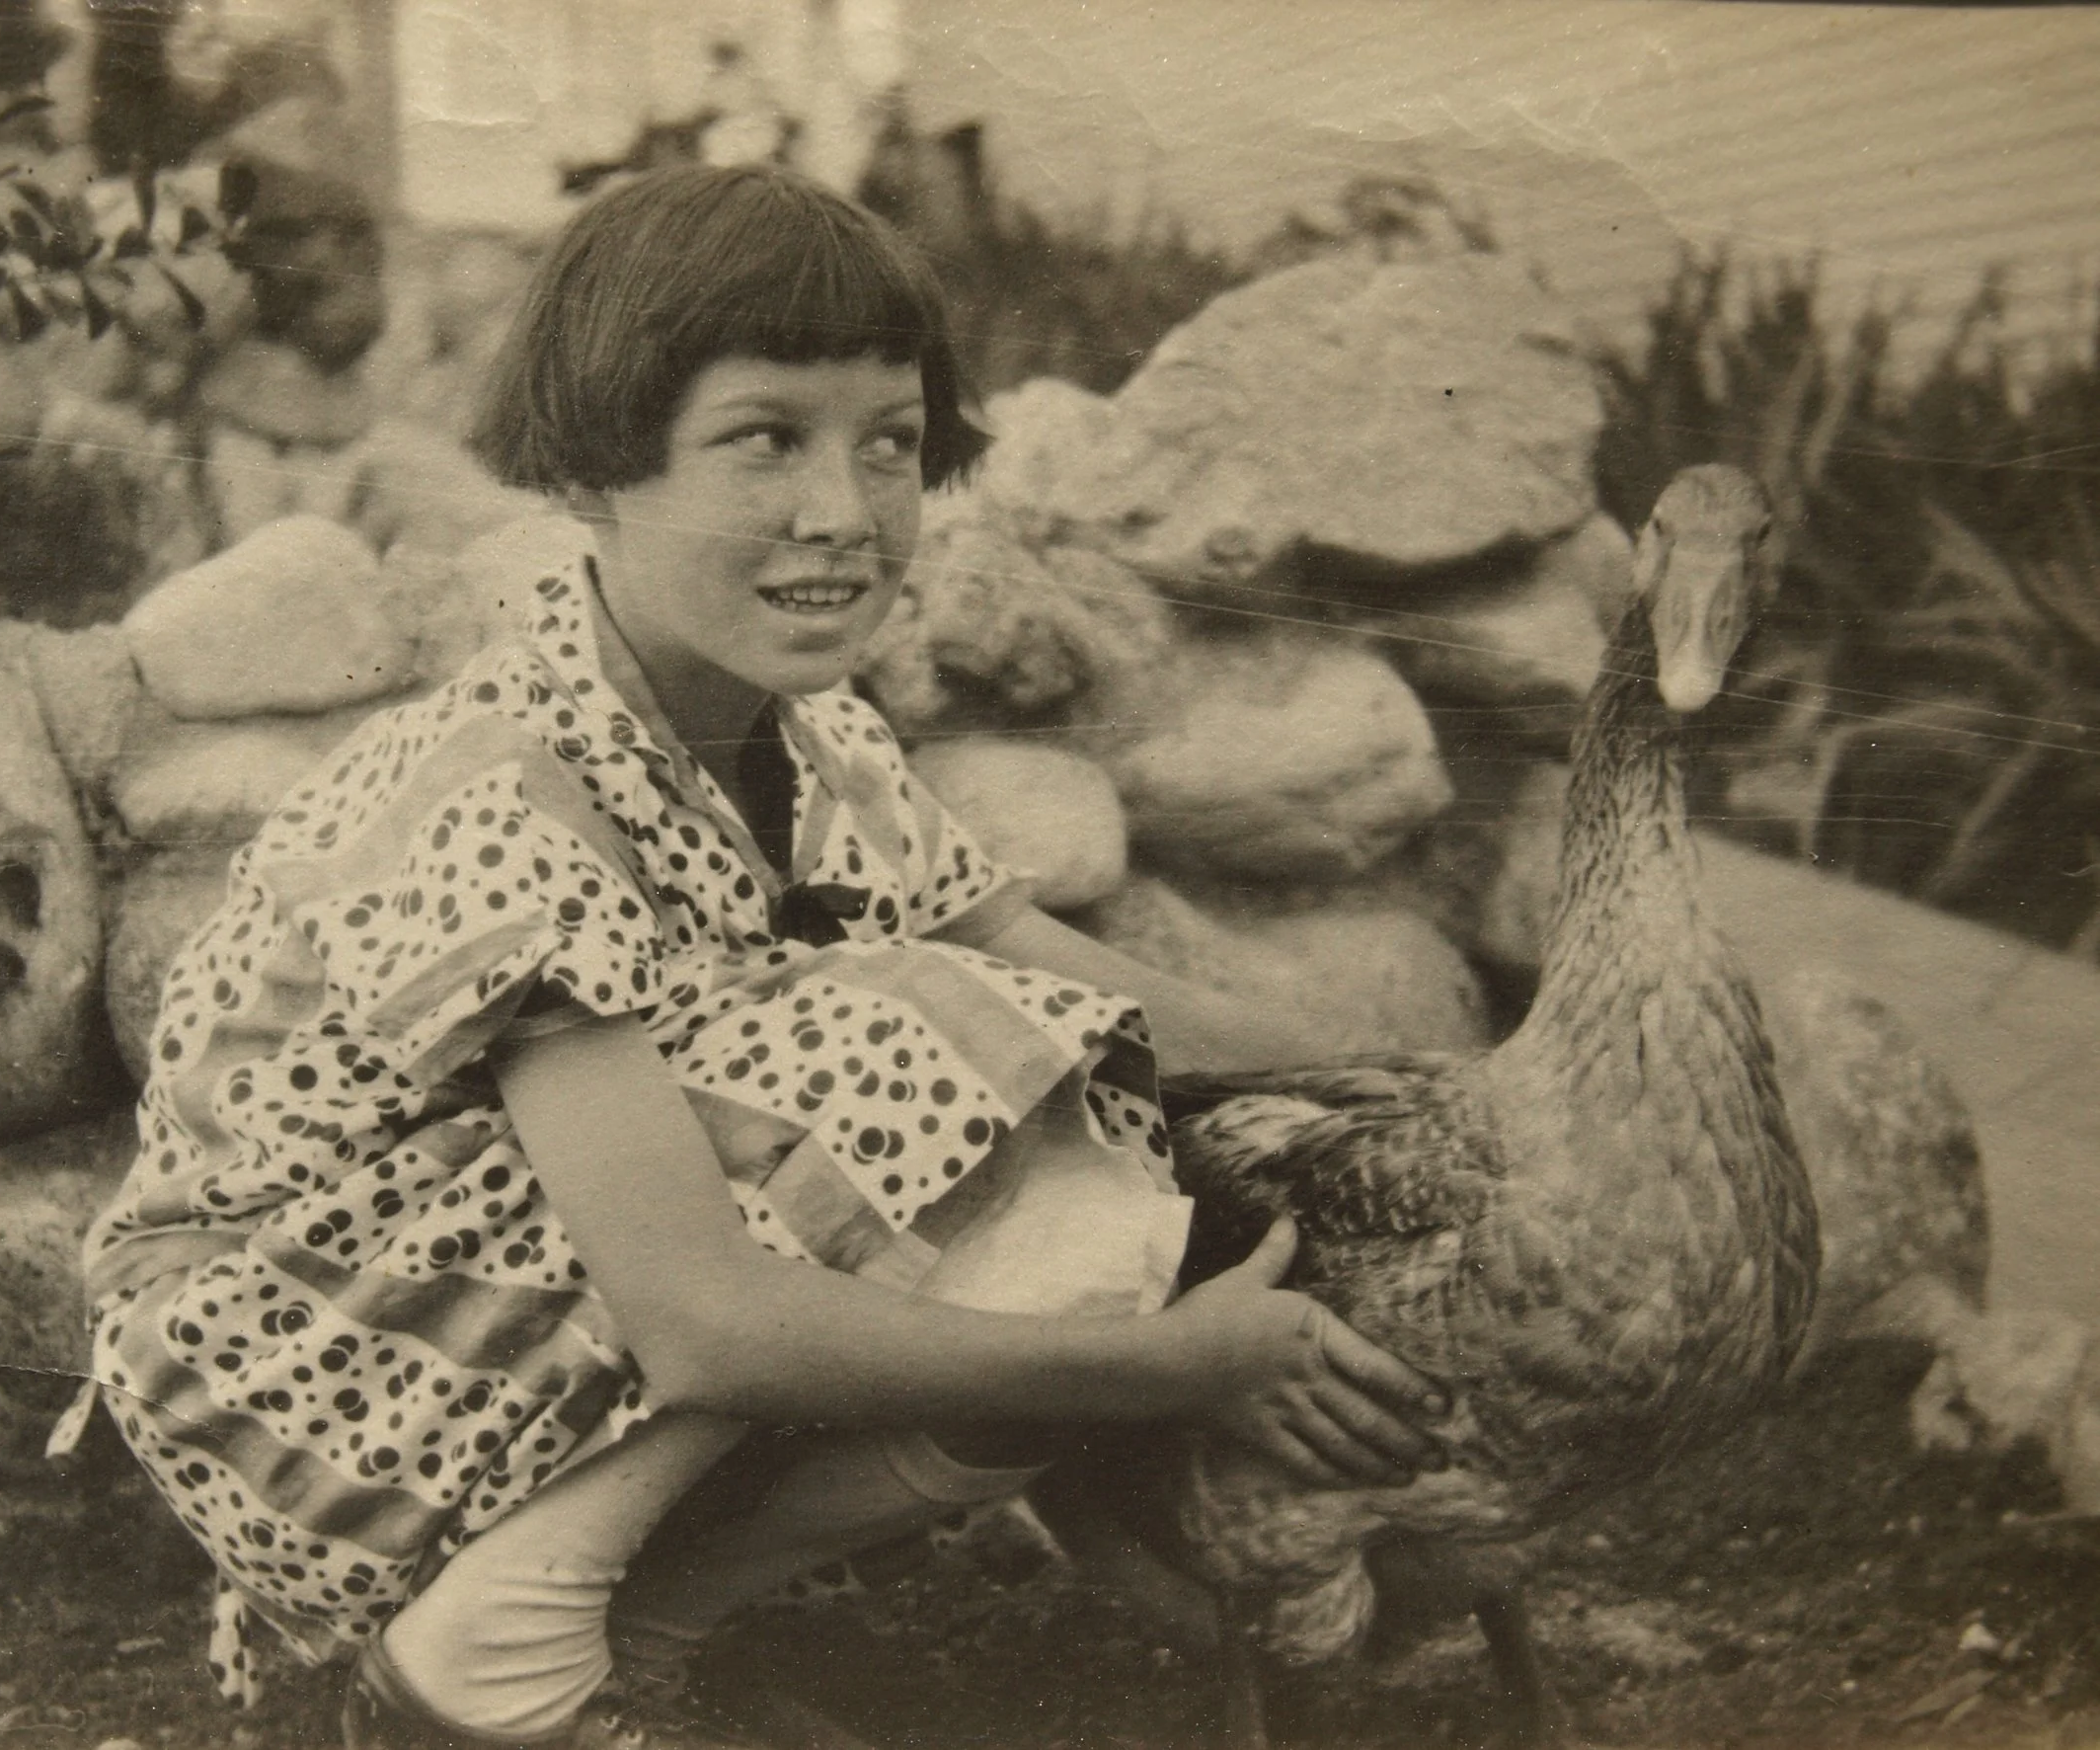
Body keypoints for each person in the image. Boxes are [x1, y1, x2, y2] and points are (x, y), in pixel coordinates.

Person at [80, 163, 1447, 1750]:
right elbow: (699, 1320)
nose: (845, 513)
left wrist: (1426, 1089)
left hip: (476, 1332)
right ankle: (488, 1665)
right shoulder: (501, 788)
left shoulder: (819, 742)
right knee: (913, 1041)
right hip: (283, 1373)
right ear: (596, 467)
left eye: (890, 443)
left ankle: (644, 1635)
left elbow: (1071, 983)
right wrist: (1165, 1368)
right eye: (764, 440)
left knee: (1094, 1156)